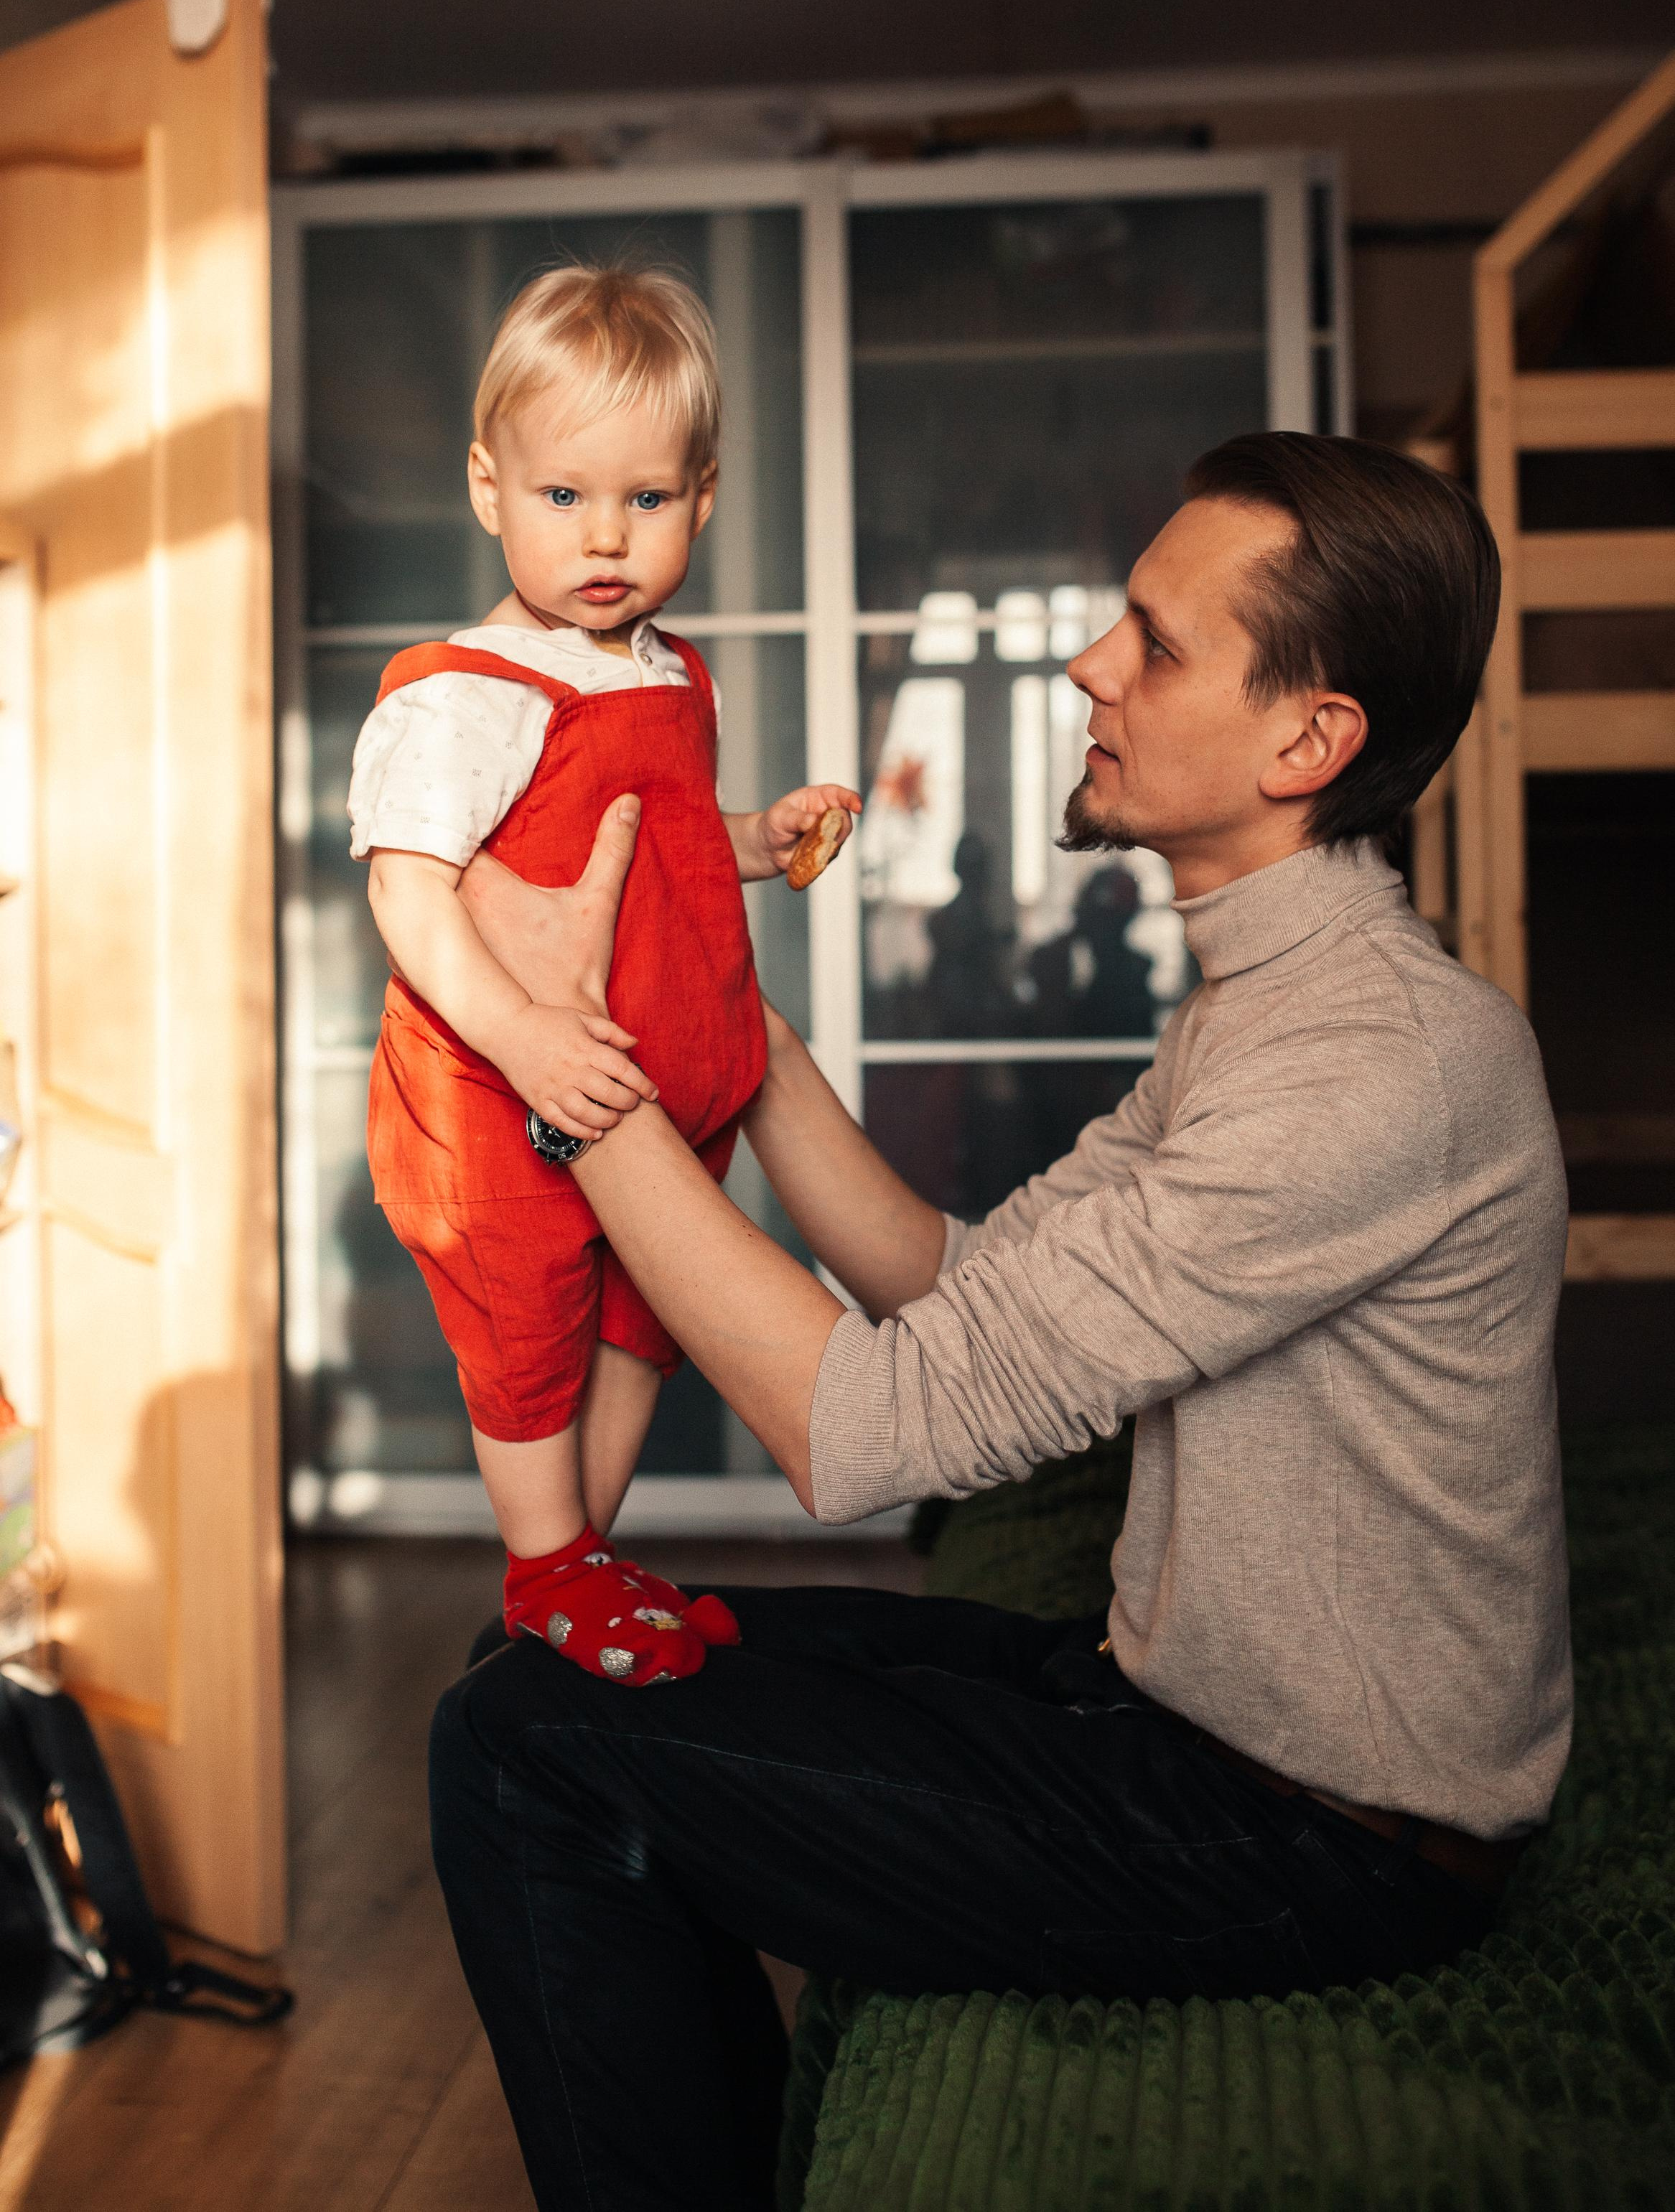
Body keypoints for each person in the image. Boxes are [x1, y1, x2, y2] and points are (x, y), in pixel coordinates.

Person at [429, 433, 1573, 2212]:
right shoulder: (1270, 1009)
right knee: (563, 1665)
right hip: (1174, 1715)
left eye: (1155, 644)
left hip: (1310, 1833)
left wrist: (564, 1068)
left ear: (1307, 743)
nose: (1088, 667)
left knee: (525, 1749)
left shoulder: (1372, 1067)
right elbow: (948, 1285)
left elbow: (863, 1430)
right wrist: (713, 1001)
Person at [348, 262, 858, 1685]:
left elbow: (660, 842)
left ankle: (584, 1553)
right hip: (506, 1098)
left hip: (646, 1092)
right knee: (532, 1329)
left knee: (641, 1327)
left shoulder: (668, 669)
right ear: (488, 487)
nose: (605, 539)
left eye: (645, 499)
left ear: (701, 495)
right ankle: (544, 1558)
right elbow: (410, 891)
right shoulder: (467, 691)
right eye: (564, 496)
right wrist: (517, 1036)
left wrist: (760, 839)